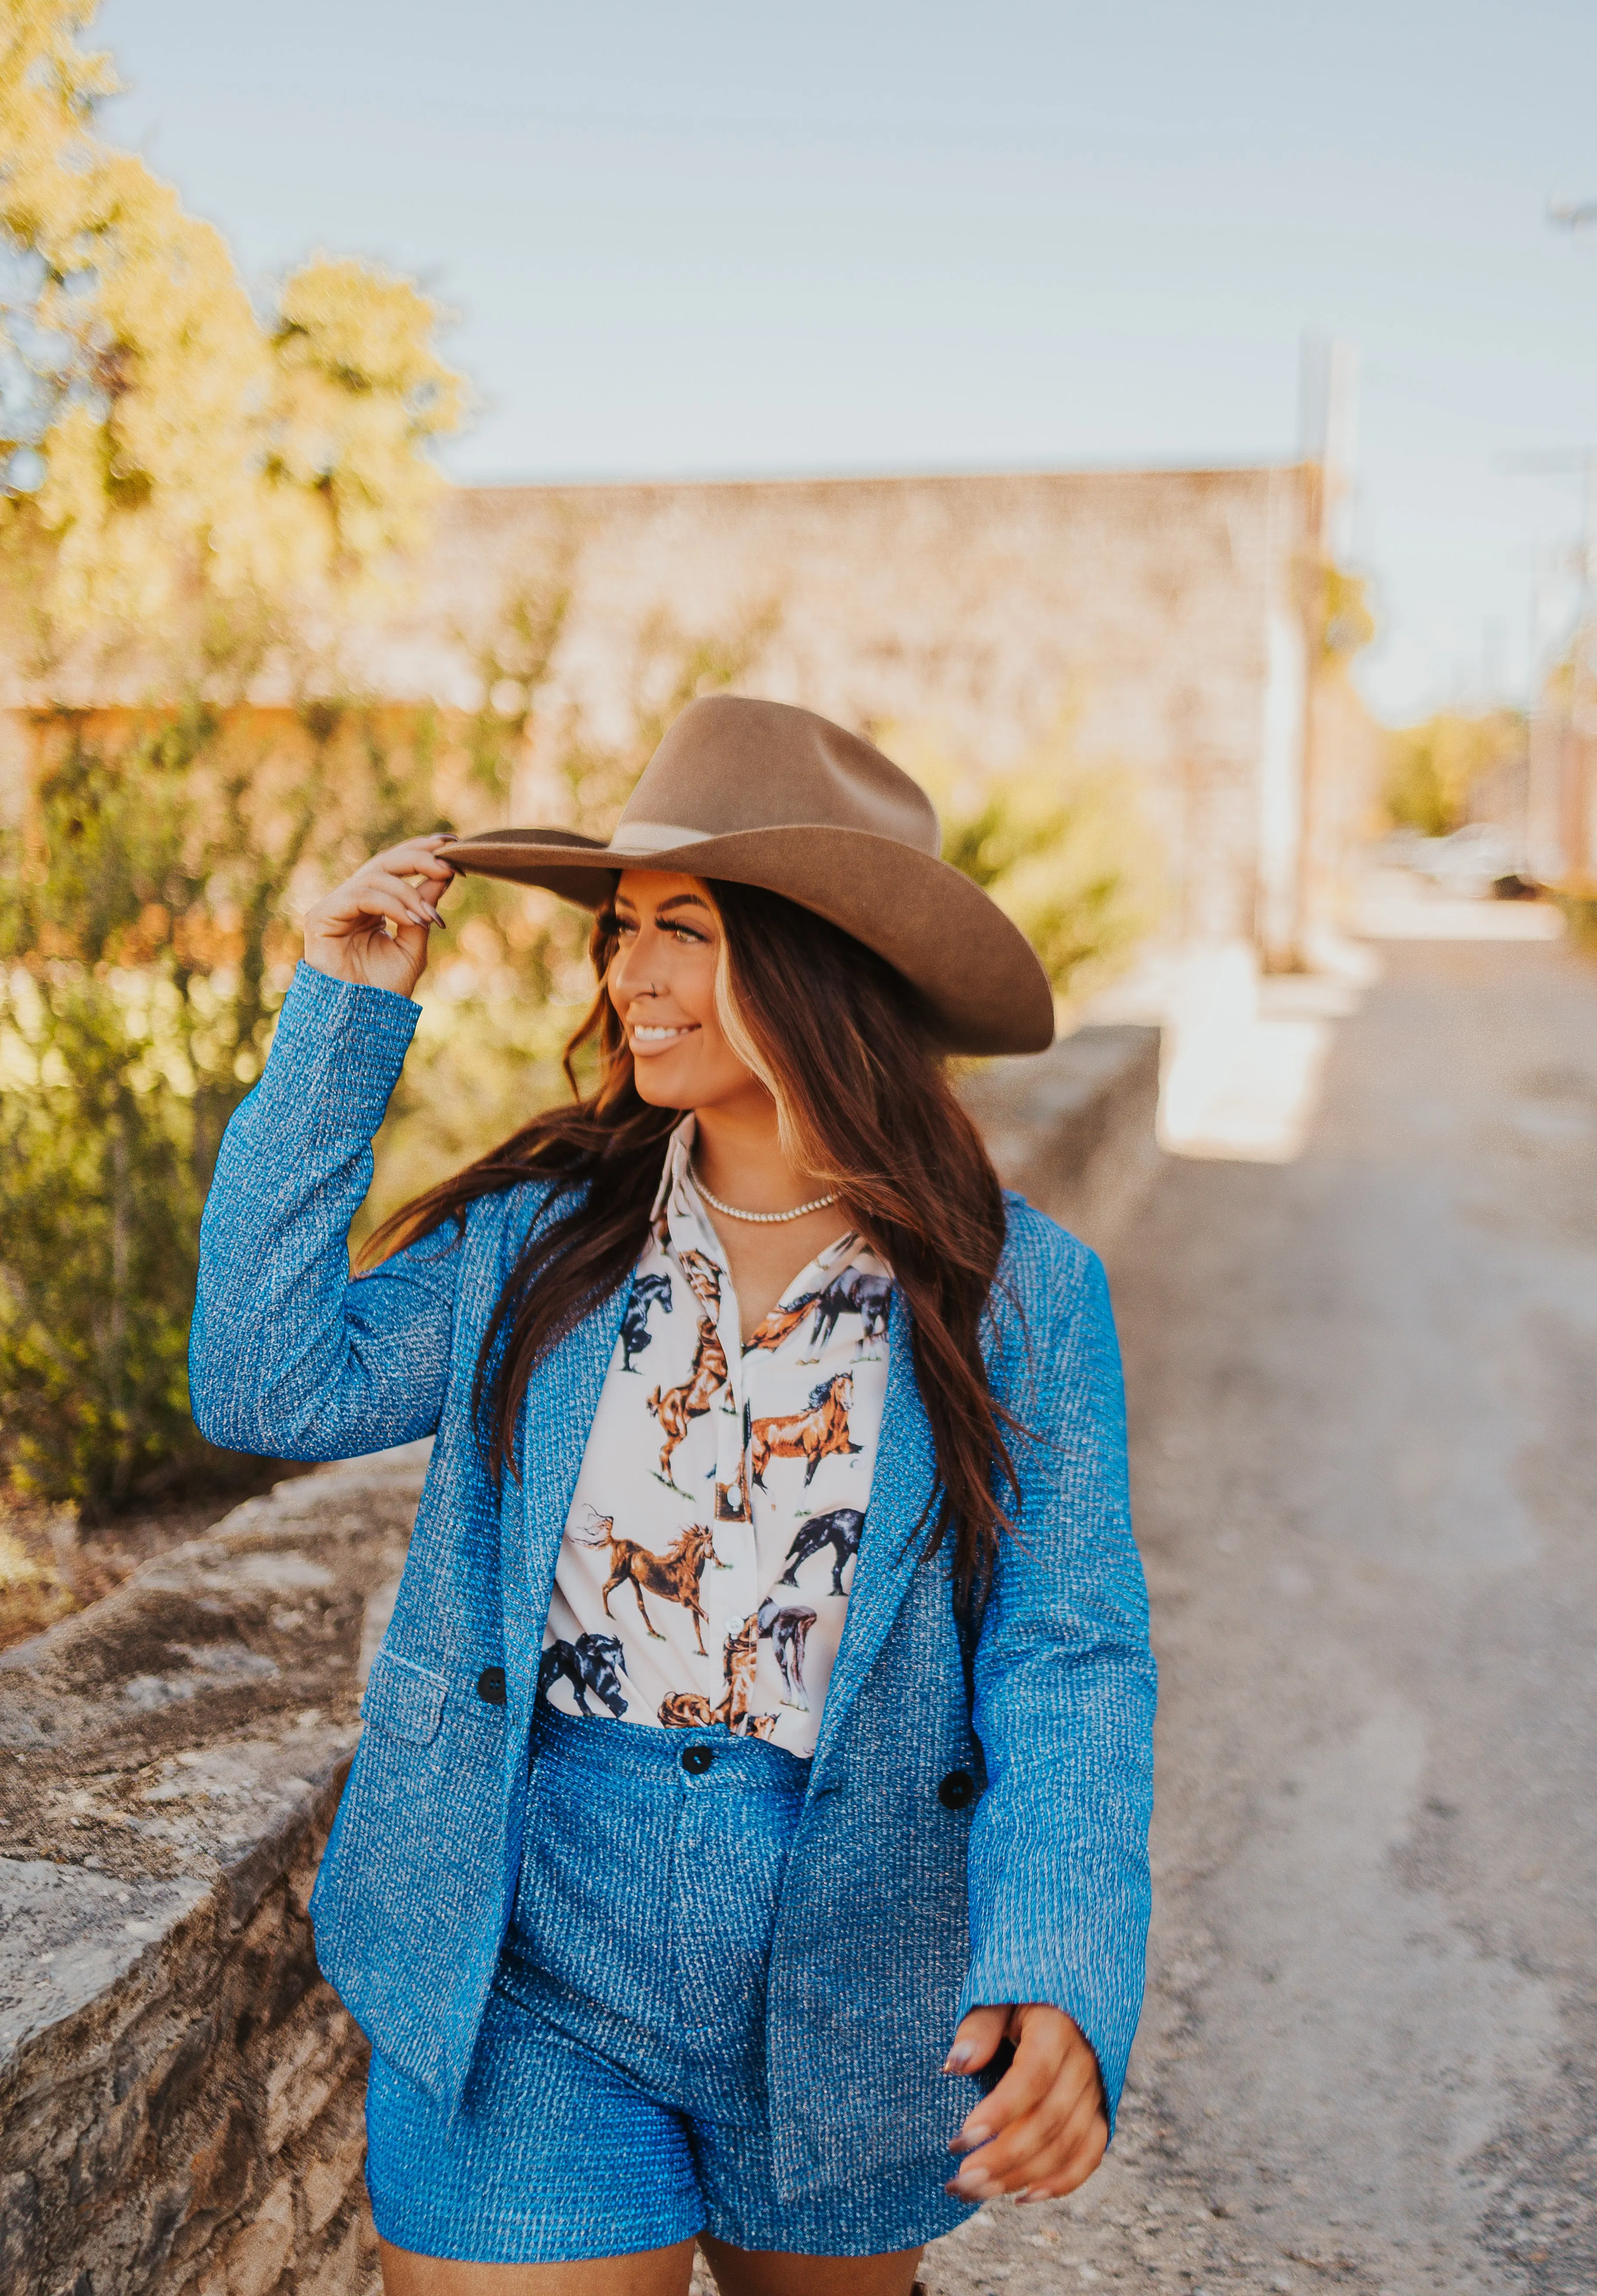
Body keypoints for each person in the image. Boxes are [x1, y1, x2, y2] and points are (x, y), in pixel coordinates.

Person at [190, 695, 1156, 2296]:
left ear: (815, 965)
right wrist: (340, 1024)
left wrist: (1060, 1965)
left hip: (853, 1954)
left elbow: (1068, 1653)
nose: (629, 977)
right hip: (525, 1939)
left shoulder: (1016, 1292)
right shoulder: (542, 1237)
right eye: (624, 933)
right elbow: (265, 1381)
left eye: (683, 933)